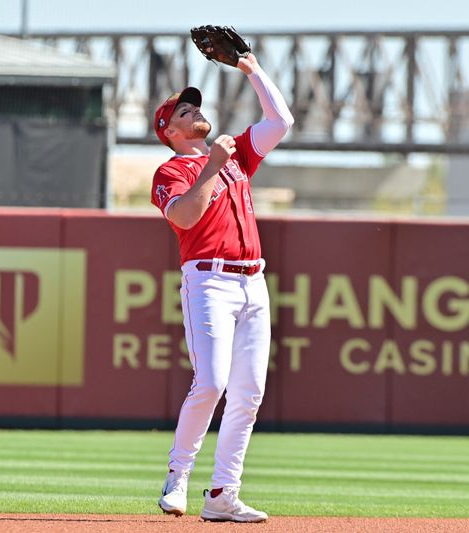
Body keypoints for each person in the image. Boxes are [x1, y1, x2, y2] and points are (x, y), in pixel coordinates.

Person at [150, 52, 293, 522]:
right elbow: (184, 215)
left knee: (249, 392)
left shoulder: (236, 157)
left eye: (195, 107)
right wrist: (212, 165)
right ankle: (179, 475)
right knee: (211, 381)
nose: (195, 113)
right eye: (183, 113)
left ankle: (222, 496)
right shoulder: (172, 171)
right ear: (168, 132)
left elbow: (281, 119)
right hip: (209, 280)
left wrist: (250, 67)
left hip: (254, 281)